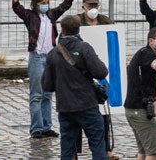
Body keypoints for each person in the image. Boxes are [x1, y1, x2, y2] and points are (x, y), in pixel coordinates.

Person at [11, 0, 77, 138]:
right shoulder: (30, 16)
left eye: (47, 2)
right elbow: (16, 6)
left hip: (51, 58)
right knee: (36, 95)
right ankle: (36, 128)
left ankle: (47, 126)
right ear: (36, 4)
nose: (45, 5)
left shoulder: (51, 15)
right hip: (37, 57)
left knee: (48, 94)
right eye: (42, 3)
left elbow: (67, 3)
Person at [41, 14, 109, 160]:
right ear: (79, 29)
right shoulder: (84, 48)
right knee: (97, 143)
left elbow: (47, 85)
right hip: (87, 105)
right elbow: (101, 73)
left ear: (62, 30)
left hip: (65, 107)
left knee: (67, 147)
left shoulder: (53, 54)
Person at [123, 26, 156, 160]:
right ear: (151, 41)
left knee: (143, 151)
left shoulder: (142, 52)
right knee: (153, 152)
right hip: (140, 110)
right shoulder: (147, 55)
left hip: (132, 109)